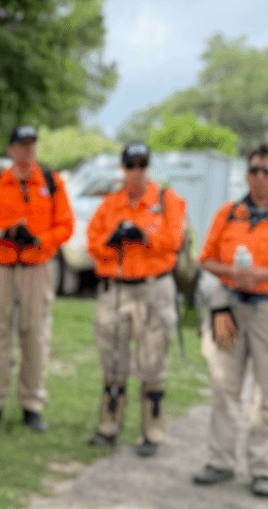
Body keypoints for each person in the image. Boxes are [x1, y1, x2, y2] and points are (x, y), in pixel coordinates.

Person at [192, 140, 268, 499]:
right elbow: (206, 259)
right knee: (224, 387)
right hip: (232, 305)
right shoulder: (230, 213)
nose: (260, 177)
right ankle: (220, 462)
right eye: (254, 170)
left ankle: (263, 469)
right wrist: (231, 272)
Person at [0, 124, 75, 432]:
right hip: (0, 269)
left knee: (36, 336)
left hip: (36, 269)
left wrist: (39, 239)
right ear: (10, 149)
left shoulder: (51, 182)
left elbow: (65, 226)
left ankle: (31, 404)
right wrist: (2, 233)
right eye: (22, 145)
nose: (28, 151)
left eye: (32, 145)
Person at [84, 142, 186, 457]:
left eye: (142, 165)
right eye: (131, 166)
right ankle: (109, 425)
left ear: (148, 167)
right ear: (123, 168)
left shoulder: (166, 200)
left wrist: (143, 236)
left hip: (153, 288)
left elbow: (174, 241)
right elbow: (93, 244)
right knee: (113, 359)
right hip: (115, 288)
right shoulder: (110, 203)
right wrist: (113, 239)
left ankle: (153, 431)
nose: (136, 172)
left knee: (152, 360)